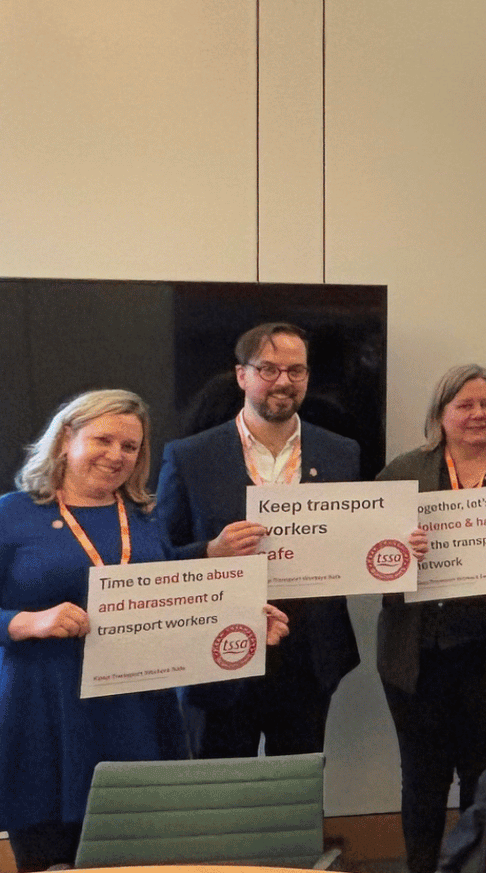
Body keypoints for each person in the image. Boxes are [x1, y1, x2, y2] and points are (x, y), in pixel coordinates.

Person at [0, 390, 288, 871]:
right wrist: (26, 622)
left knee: (136, 864)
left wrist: (243, 617)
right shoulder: (9, 515)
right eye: (103, 440)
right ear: (66, 438)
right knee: (50, 864)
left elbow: (169, 591)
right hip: (42, 716)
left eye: (130, 447)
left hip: (137, 717)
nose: (117, 456)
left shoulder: (144, 517)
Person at [155, 322, 363, 757]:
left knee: (298, 792)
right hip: (219, 653)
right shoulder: (190, 456)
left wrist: (398, 545)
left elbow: (353, 539)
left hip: (310, 655)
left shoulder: (342, 453)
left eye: (296, 371)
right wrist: (210, 551)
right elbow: (158, 558)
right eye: (268, 369)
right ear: (241, 375)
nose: (283, 381)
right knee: (223, 797)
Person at [375, 365, 486, 873]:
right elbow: (367, 559)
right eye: (464, 406)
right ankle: (421, 867)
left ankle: (475, 866)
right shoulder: (402, 473)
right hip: (415, 655)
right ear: (441, 414)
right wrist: (396, 550)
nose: (477, 415)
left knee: (484, 774)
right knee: (421, 776)